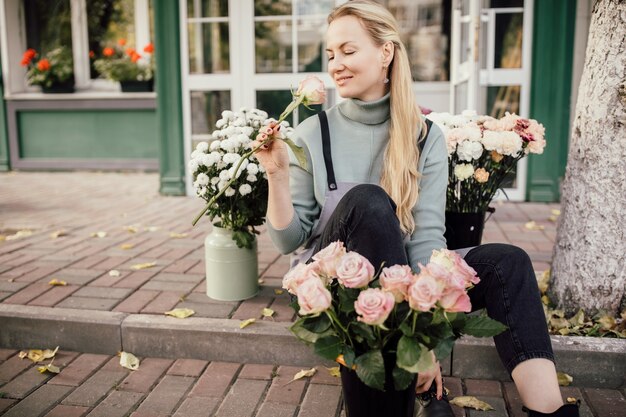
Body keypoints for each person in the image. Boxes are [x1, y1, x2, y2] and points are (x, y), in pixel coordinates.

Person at [252, 1, 579, 416]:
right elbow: (288, 241)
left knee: (508, 263)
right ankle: (408, 392)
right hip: (337, 289)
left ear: (385, 52)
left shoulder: (426, 137)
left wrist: (422, 330)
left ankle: (548, 411)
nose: (336, 65)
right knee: (368, 201)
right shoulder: (312, 132)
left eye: (348, 51)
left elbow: (425, 239)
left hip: (406, 279)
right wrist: (277, 174)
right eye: (331, 54)